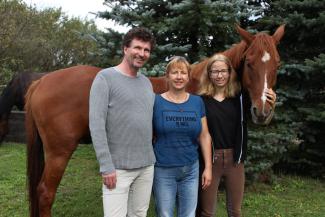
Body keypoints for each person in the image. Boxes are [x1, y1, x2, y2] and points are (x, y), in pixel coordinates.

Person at [196, 54, 277, 217]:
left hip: (235, 161)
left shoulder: (240, 98)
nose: (219, 75)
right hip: (211, 162)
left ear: (230, 72)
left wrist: (271, 105)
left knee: (235, 211)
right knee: (206, 212)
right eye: (215, 71)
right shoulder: (200, 100)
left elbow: (261, 119)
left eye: (223, 71)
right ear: (209, 74)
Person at [89, 27, 156, 217]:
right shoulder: (105, 78)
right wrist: (106, 166)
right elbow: (96, 124)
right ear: (125, 49)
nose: (141, 54)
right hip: (117, 169)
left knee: (139, 214)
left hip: (146, 166)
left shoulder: (146, 83)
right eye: (137, 48)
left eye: (146, 50)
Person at [152, 56, 212, 217]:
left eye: (183, 73)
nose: (179, 77)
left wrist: (208, 167)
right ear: (167, 76)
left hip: (191, 169)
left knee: (189, 214)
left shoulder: (197, 102)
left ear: (188, 76)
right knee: (164, 213)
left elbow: (204, 135)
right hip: (163, 169)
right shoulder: (156, 102)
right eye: (175, 72)